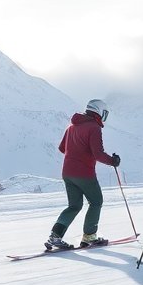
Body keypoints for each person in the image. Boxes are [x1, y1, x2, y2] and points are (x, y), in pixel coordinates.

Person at [45, 99, 121, 250]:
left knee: (74, 206)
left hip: (67, 172)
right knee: (96, 201)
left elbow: (62, 148)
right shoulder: (94, 127)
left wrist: (76, 150)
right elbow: (98, 154)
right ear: (99, 111)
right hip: (84, 173)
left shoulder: (71, 126)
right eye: (104, 114)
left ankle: (55, 236)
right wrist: (113, 161)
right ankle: (89, 237)